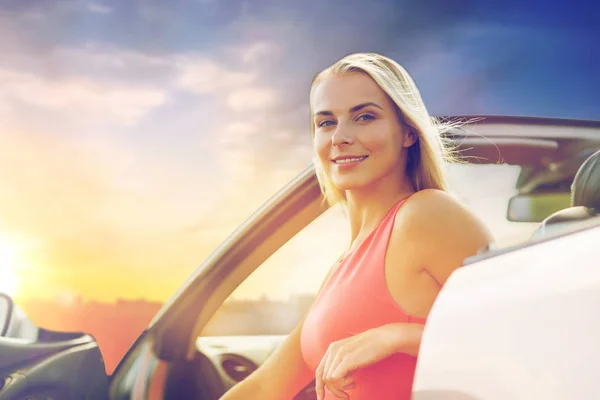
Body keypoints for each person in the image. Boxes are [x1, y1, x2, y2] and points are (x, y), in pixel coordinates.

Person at [220, 53, 493, 400]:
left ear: (407, 132)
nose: (340, 137)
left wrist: (397, 337)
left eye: (364, 117)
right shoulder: (344, 265)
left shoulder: (425, 215)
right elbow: (264, 389)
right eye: (326, 122)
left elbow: (518, 338)